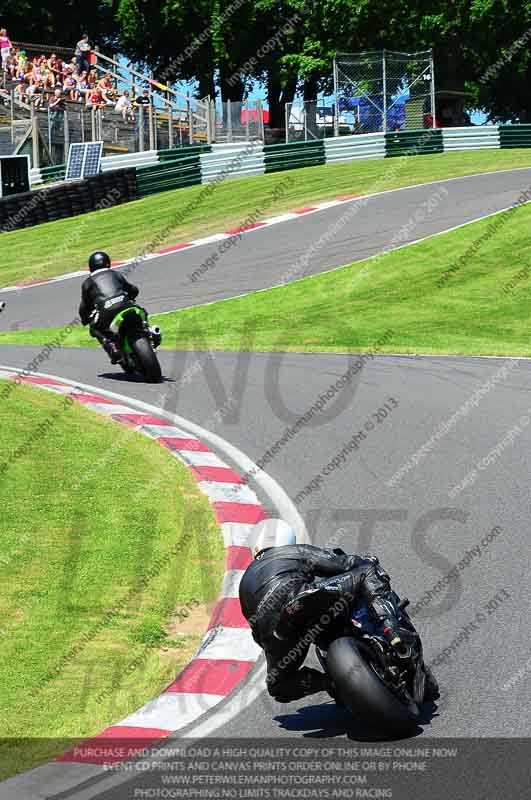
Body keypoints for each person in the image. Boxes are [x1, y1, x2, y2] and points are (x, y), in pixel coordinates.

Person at [239, 520, 439, 704]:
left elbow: (256, 629)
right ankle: (393, 632)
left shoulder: (244, 583)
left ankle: (333, 682)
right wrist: (366, 559)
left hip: (277, 633)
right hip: (302, 600)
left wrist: (276, 642)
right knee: (368, 570)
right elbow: (342, 564)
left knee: (278, 686)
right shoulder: (291, 551)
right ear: (286, 538)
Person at [79, 251, 139, 364]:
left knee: (94, 328)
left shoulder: (87, 283)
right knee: (140, 311)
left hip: (106, 312)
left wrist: (84, 319)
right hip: (125, 305)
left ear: (91, 267)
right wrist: (132, 295)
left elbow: (85, 306)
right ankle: (150, 333)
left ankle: (112, 346)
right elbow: (132, 289)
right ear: (108, 263)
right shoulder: (115, 274)